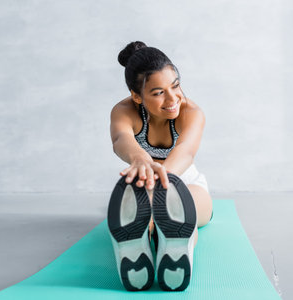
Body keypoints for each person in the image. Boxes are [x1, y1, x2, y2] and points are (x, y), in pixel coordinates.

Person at [107, 41, 213, 292]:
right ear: (136, 96)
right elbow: (121, 139)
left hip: (185, 181)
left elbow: (185, 151)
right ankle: (146, 238)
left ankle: (174, 244)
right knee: (151, 208)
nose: (172, 98)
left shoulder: (192, 112)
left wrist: (162, 178)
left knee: (187, 212)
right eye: (158, 93)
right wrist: (139, 158)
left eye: (175, 85)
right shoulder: (124, 111)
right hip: (145, 183)